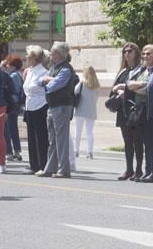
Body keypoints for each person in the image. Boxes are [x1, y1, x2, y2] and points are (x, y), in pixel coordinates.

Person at [114, 44, 153, 183]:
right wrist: (140, 86)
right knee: (146, 142)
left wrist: (138, 87)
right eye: (144, 54)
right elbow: (129, 84)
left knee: (151, 143)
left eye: (149, 54)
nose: (145, 56)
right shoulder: (143, 71)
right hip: (139, 110)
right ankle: (147, 171)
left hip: (152, 111)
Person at [39, 42, 77, 178]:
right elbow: (40, 82)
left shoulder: (66, 69)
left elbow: (53, 86)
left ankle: (64, 170)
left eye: (53, 53)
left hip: (62, 106)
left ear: (60, 55)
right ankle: (50, 168)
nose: (50, 55)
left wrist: (47, 80)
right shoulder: (54, 67)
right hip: (53, 105)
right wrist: (47, 80)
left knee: (61, 139)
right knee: (52, 139)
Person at [109, 43, 144, 180]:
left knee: (137, 141)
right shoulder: (123, 71)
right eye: (125, 51)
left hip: (135, 109)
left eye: (130, 51)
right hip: (123, 110)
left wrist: (126, 91)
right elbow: (114, 87)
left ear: (136, 53)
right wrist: (119, 91)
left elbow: (140, 87)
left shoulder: (141, 70)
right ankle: (129, 169)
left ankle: (139, 170)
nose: (127, 54)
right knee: (127, 142)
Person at [22, 45, 49, 175]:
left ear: (34, 58)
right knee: (31, 137)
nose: (26, 58)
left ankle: (43, 165)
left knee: (41, 137)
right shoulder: (30, 71)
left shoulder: (43, 72)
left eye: (28, 56)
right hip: (29, 106)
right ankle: (34, 164)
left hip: (40, 106)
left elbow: (39, 88)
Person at [73, 65, 99, 159]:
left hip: (80, 109)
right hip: (91, 110)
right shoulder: (96, 85)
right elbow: (96, 98)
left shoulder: (81, 83)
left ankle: (76, 150)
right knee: (90, 132)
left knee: (78, 131)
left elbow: (75, 92)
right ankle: (90, 152)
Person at [3, 54, 25, 162]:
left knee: (7, 129)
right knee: (13, 128)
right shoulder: (17, 74)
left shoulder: (13, 76)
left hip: (11, 104)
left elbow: (14, 91)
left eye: (8, 64)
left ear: (12, 65)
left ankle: (10, 152)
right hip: (15, 105)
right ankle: (17, 151)